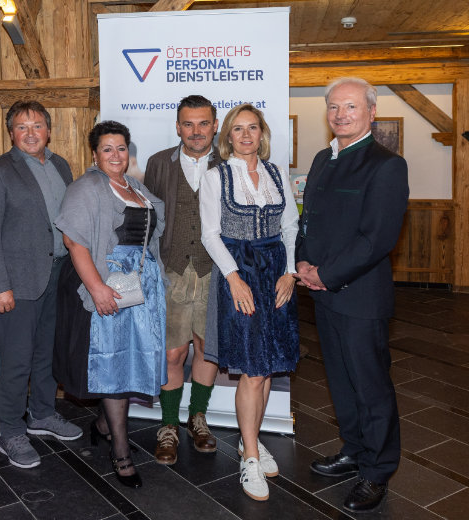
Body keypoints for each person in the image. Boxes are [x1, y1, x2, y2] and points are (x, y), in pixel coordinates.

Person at [296, 78, 408, 513]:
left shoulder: (387, 165)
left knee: (370, 386)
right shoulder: (323, 159)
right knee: (341, 382)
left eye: (351, 107)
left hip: (360, 298)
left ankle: (377, 471)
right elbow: (309, 220)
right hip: (323, 293)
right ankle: (355, 450)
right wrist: (303, 262)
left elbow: (376, 239)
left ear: (371, 112)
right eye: (334, 107)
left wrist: (326, 274)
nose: (341, 115)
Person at [53, 120, 167, 489]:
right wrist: (97, 288)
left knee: (129, 361)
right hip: (108, 282)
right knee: (114, 365)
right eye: (107, 149)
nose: (115, 155)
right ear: (94, 154)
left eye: (121, 148)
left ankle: (104, 423)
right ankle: (121, 450)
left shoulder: (134, 186)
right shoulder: (86, 187)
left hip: (138, 286)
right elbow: (74, 242)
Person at [0, 100, 82, 469]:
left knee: (48, 353)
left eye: (37, 126)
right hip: (17, 282)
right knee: (17, 360)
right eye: (22, 127)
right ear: (11, 133)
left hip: (58, 276)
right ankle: (10, 431)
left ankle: (43, 413)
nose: (31, 133)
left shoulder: (60, 165)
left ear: (48, 131)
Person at [199, 104, 299, 501]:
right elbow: (210, 234)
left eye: (252, 128)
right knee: (253, 369)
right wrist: (233, 278)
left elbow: (290, 226)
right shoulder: (216, 176)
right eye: (238, 129)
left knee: (268, 364)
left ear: (262, 133)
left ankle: (249, 439)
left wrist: (290, 272)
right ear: (228, 136)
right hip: (239, 273)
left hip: (275, 273)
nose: (245, 135)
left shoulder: (277, 173)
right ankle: (251, 457)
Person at [143, 95, 222, 464]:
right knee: (173, 352)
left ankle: (198, 417)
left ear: (215, 126)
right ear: (178, 127)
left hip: (215, 272)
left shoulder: (229, 162)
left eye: (203, 123)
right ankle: (169, 424)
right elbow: (149, 218)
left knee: (207, 348)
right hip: (171, 270)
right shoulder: (159, 163)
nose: (196, 131)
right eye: (188, 124)